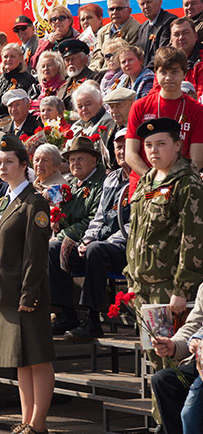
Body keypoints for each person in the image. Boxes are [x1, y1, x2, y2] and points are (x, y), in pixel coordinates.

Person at [125, 117, 203, 381]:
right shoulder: (147, 181)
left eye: (161, 144)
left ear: (178, 144)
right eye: (147, 145)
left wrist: (182, 290)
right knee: (154, 357)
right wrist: (131, 277)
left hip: (168, 288)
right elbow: (136, 233)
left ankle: (173, 422)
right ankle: (162, 421)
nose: (153, 150)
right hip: (143, 288)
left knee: (171, 361)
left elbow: (193, 238)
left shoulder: (187, 183)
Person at [0, 134, 54, 434]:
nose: (2, 167)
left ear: (23, 165)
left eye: (9, 162)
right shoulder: (3, 202)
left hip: (27, 293)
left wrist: (29, 293)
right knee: (20, 361)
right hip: (6, 293)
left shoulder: (34, 202)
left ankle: (38, 423)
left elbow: (35, 254)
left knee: (38, 359)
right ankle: (27, 421)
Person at [52, 130, 131, 341]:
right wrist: (86, 239)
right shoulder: (112, 178)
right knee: (53, 249)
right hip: (100, 244)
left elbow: (135, 225)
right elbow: (98, 217)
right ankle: (66, 314)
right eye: (118, 147)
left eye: (126, 145)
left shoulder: (141, 179)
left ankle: (92, 320)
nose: (121, 151)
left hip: (127, 247)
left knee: (96, 250)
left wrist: (98, 242)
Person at [125, 46, 203, 198]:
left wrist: (172, 183)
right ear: (156, 74)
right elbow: (130, 153)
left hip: (180, 187)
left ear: (184, 74)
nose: (168, 77)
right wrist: (153, 179)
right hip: (144, 185)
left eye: (174, 72)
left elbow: (197, 159)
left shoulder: (197, 110)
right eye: (163, 72)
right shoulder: (140, 106)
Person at [49, 137, 106, 334]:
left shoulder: (102, 184)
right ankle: (60, 312)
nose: (75, 164)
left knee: (53, 247)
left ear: (94, 161)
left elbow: (93, 219)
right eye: (72, 160)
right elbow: (53, 205)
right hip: (70, 241)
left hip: (91, 242)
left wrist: (62, 234)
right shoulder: (71, 185)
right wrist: (52, 216)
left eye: (80, 159)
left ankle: (70, 314)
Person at [152, 283, 203, 434]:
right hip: (200, 363)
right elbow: (195, 324)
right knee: (163, 380)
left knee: (190, 412)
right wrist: (174, 345)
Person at [0, 43, 36, 127]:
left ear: (21, 58)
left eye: (13, 56)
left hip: (12, 126)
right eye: (5, 57)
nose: (8, 59)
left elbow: (22, 110)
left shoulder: (27, 79)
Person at [69, 82, 116, 166]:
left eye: (88, 104)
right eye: (80, 106)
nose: (84, 109)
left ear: (100, 102)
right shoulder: (76, 126)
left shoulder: (108, 123)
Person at [89, 0, 140, 71]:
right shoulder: (102, 32)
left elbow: (129, 60)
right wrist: (91, 72)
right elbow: (98, 57)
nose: (114, 12)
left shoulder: (137, 30)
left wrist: (100, 72)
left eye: (118, 8)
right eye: (111, 9)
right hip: (101, 74)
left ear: (129, 10)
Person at [56, 39, 102, 111]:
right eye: (67, 60)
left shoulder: (93, 78)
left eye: (74, 59)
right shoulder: (65, 84)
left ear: (85, 60)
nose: (70, 63)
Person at [30, 5, 80, 69]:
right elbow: (34, 63)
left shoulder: (79, 38)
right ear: (50, 24)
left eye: (61, 18)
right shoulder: (44, 41)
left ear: (69, 20)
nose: (57, 21)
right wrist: (48, 44)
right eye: (53, 19)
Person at [135, 0, 177, 69]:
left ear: (160, 1)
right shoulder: (142, 28)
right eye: (142, 4)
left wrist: (144, 72)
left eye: (149, 2)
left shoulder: (169, 21)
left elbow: (163, 54)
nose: (146, 6)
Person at [102, 87, 136, 167]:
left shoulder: (139, 127)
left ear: (132, 103)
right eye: (111, 107)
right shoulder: (111, 127)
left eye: (119, 105)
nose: (114, 111)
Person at [171, 17, 203, 99]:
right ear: (171, 39)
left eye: (185, 33)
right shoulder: (165, 63)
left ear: (195, 36)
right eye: (176, 34)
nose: (181, 37)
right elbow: (155, 93)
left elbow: (200, 97)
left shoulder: (201, 61)